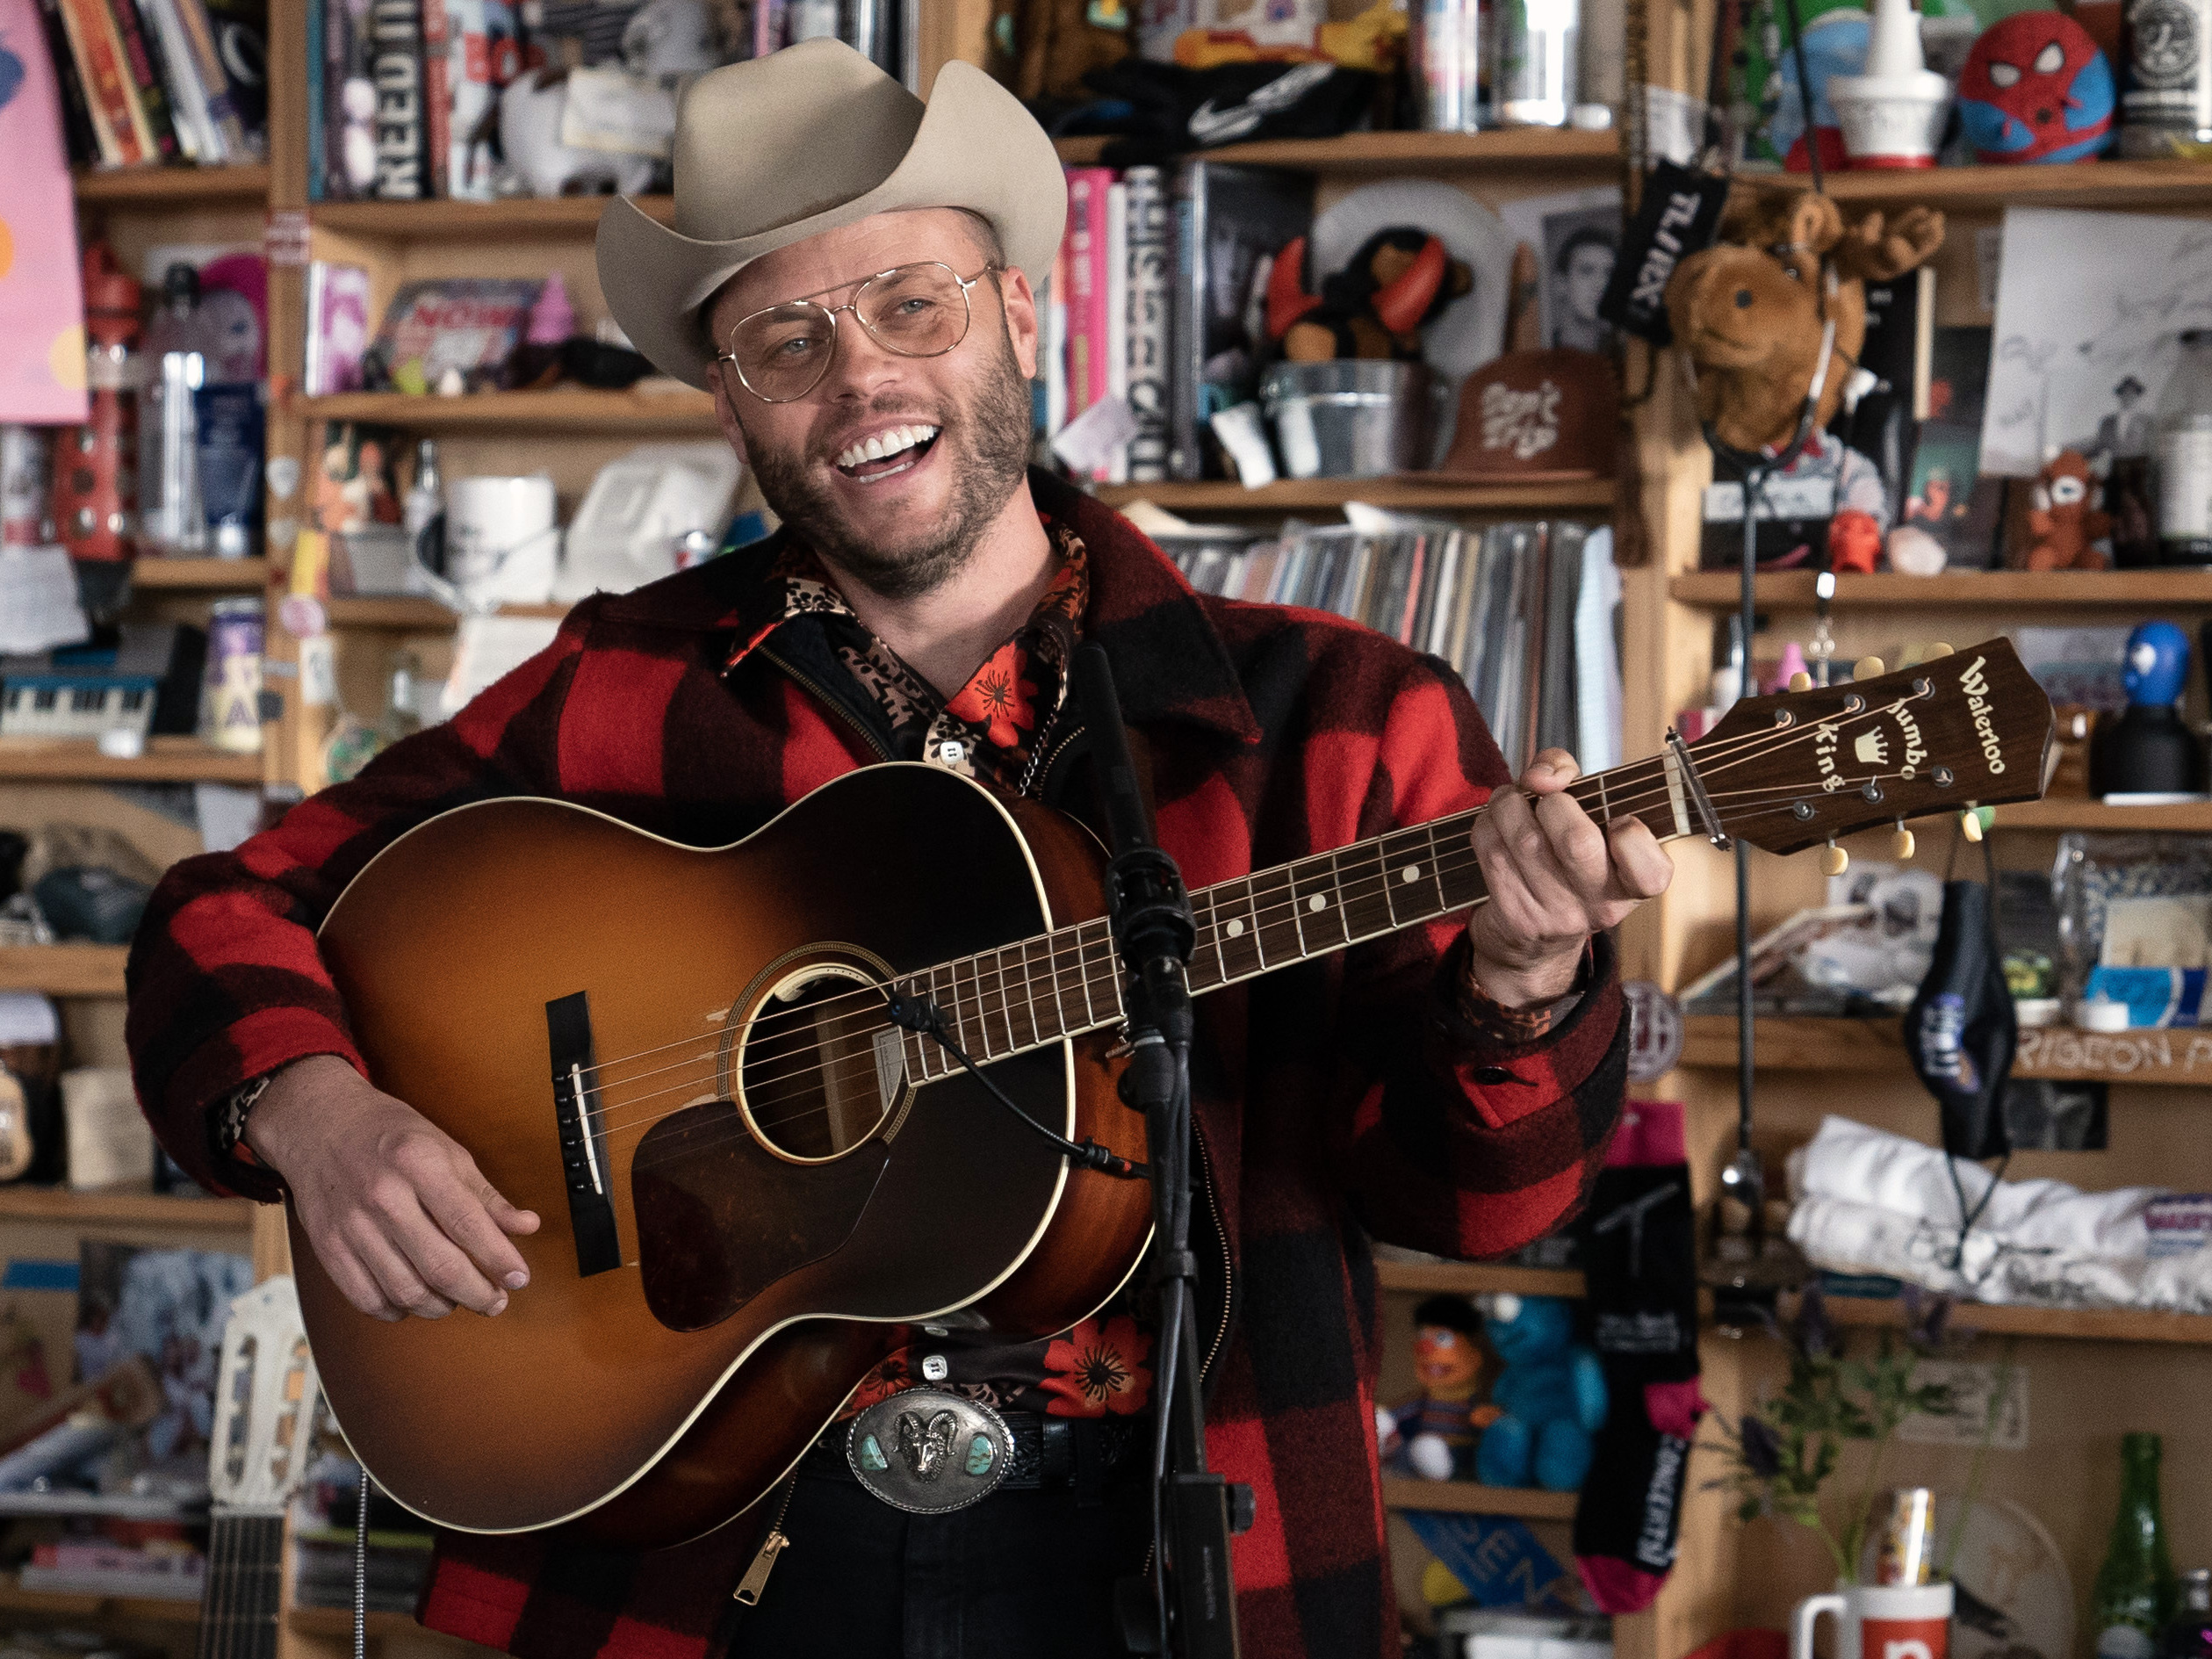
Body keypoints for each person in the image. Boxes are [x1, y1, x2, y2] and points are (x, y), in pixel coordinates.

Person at [124, 40, 1672, 1659]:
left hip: (1167, 1544)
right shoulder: (624, 680)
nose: (859, 377)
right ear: (730, 402)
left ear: (1014, 314)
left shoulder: (1344, 715)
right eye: (783, 337)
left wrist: (1521, 973)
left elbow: (1478, 1210)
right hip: (715, 1553)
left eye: (908, 304)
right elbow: (225, 897)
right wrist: (309, 1107)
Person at [1547, 225, 1617, 354]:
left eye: (1609, 273)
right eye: (1587, 271)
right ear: (1561, 284)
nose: (1601, 285)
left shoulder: (1625, 355)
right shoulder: (1542, 350)